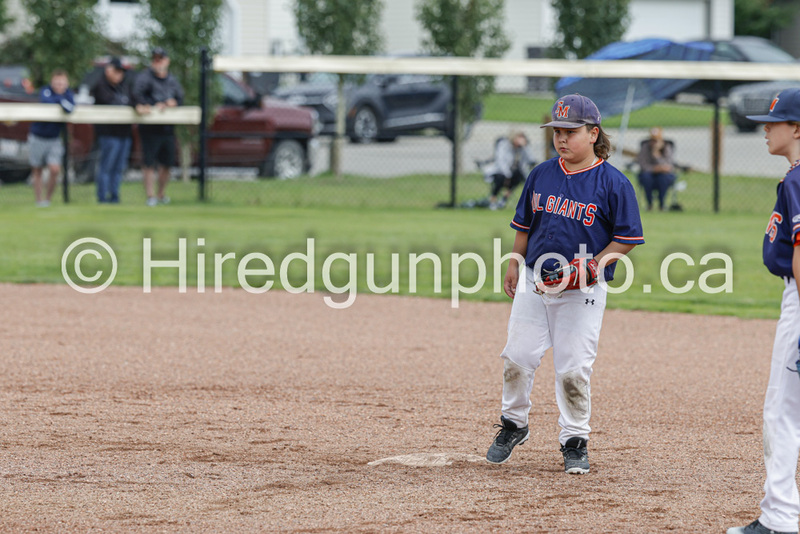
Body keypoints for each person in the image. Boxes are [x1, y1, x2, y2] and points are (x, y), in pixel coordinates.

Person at [485, 94, 644, 474]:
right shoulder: (541, 174)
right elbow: (524, 225)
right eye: (557, 131)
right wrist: (514, 263)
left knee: (573, 369)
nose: (561, 138)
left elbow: (626, 239)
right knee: (517, 357)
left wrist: (589, 269)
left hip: (582, 292)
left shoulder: (614, 183)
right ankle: (513, 424)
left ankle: (574, 440)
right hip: (534, 281)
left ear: (593, 133)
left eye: (570, 131)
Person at [726, 88, 800, 534]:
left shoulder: (798, 180)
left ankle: (779, 519)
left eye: (774, 122)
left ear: (798, 128)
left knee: (781, 411)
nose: (765, 130)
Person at [131, 46, 184, 207]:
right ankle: (150, 196)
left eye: (160, 59)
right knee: (149, 163)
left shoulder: (172, 80)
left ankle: (161, 194)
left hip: (167, 128)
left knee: (167, 163)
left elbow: (180, 98)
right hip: (150, 127)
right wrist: (154, 105)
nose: (158, 62)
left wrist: (173, 103)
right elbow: (137, 95)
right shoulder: (145, 78)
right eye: (155, 59)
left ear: (167, 61)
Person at [28, 69, 75, 207]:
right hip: (38, 136)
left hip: (54, 138)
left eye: (62, 82)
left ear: (66, 83)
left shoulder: (69, 94)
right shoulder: (45, 90)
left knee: (54, 169)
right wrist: (61, 101)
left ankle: (47, 199)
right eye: (57, 82)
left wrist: (60, 101)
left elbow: (70, 108)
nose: (59, 85)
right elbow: (47, 102)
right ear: (52, 81)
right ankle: (39, 200)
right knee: (37, 169)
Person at [91, 57, 132, 204]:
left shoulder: (125, 86)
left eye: (121, 72)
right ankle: (103, 197)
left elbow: (133, 101)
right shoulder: (100, 85)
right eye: (117, 71)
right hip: (108, 133)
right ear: (108, 71)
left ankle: (114, 196)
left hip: (124, 133)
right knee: (106, 166)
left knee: (119, 167)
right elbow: (111, 102)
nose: (119, 75)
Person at [482, 130, 537, 210]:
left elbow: (531, 160)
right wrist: (508, 175)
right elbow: (501, 162)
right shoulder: (504, 145)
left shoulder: (521, 149)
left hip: (513, 173)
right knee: (500, 178)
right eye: (519, 137)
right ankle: (492, 201)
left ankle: (503, 200)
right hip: (499, 171)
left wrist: (525, 146)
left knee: (519, 176)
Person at [636, 127, 677, 211]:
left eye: (656, 140)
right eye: (652, 140)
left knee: (664, 178)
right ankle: (649, 204)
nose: (654, 143)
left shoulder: (667, 147)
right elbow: (643, 164)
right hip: (649, 174)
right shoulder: (645, 147)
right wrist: (655, 168)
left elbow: (668, 166)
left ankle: (662, 204)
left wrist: (656, 154)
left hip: (663, 175)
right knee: (646, 177)